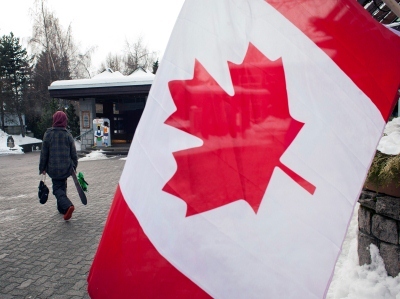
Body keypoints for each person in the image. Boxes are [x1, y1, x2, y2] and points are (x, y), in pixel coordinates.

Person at [39, 111, 78, 221]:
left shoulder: (48, 134)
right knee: (62, 186)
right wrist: (74, 166)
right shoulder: (67, 135)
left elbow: (44, 153)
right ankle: (62, 209)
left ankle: (68, 206)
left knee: (56, 189)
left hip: (53, 168)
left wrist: (42, 167)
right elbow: (73, 153)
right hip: (66, 168)